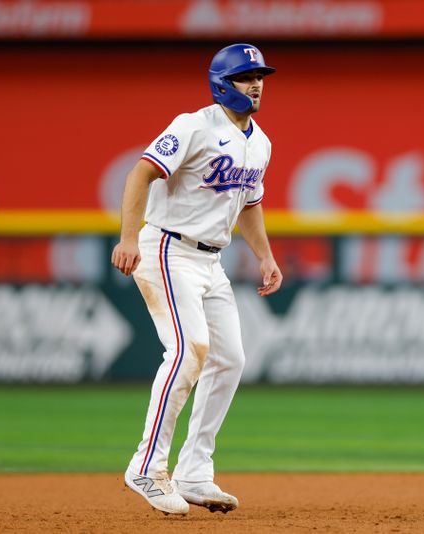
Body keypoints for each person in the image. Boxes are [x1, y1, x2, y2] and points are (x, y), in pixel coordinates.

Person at [111, 43, 283, 516]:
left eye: (260, 76)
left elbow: (249, 204)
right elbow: (140, 175)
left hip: (212, 262)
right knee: (189, 352)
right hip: (167, 249)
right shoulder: (193, 126)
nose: (256, 84)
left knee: (229, 359)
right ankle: (146, 466)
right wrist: (128, 237)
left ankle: (194, 472)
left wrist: (265, 257)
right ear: (222, 84)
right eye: (246, 76)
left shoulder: (260, 142)